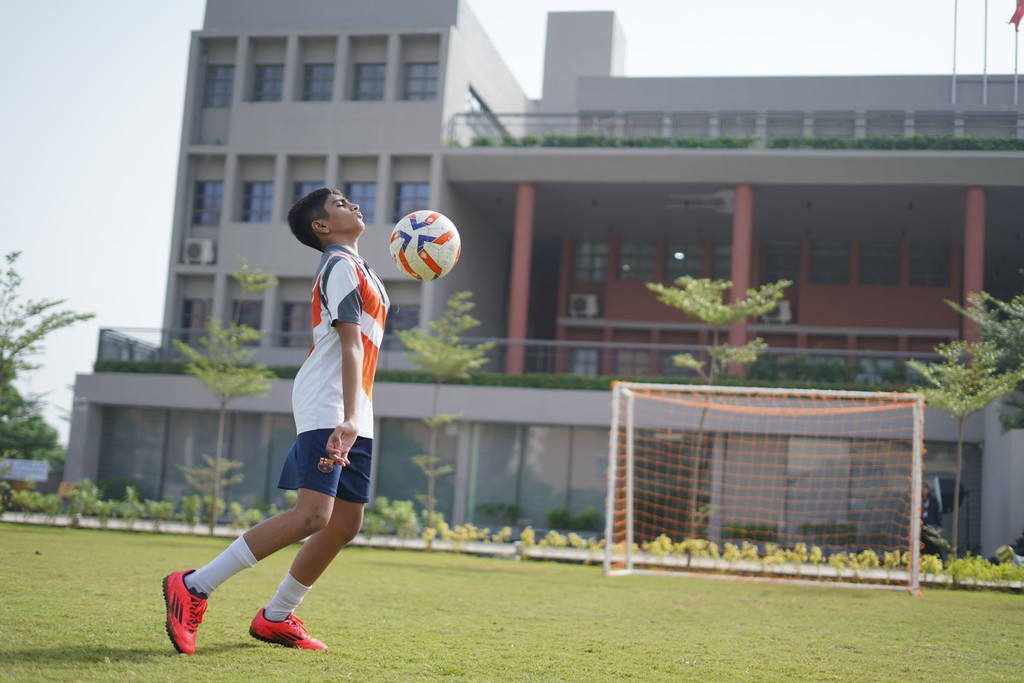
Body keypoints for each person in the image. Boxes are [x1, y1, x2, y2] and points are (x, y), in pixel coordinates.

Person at [162, 188, 389, 654]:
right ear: (321, 227)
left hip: (354, 408)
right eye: (340, 203)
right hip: (330, 404)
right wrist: (347, 417)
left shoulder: (363, 270)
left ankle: (275, 618)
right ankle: (194, 586)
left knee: (345, 523)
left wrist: (357, 414)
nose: (353, 204)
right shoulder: (339, 265)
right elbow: (348, 345)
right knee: (313, 514)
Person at [920, 482, 944, 557]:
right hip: (922, 527)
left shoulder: (933, 500)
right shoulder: (919, 500)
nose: (924, 491)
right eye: (922, 489)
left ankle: (938, 561)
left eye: (925, 489)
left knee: (933, 544)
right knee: (923, 545)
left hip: (932, 526)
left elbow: (937, 513)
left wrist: (939, 525)